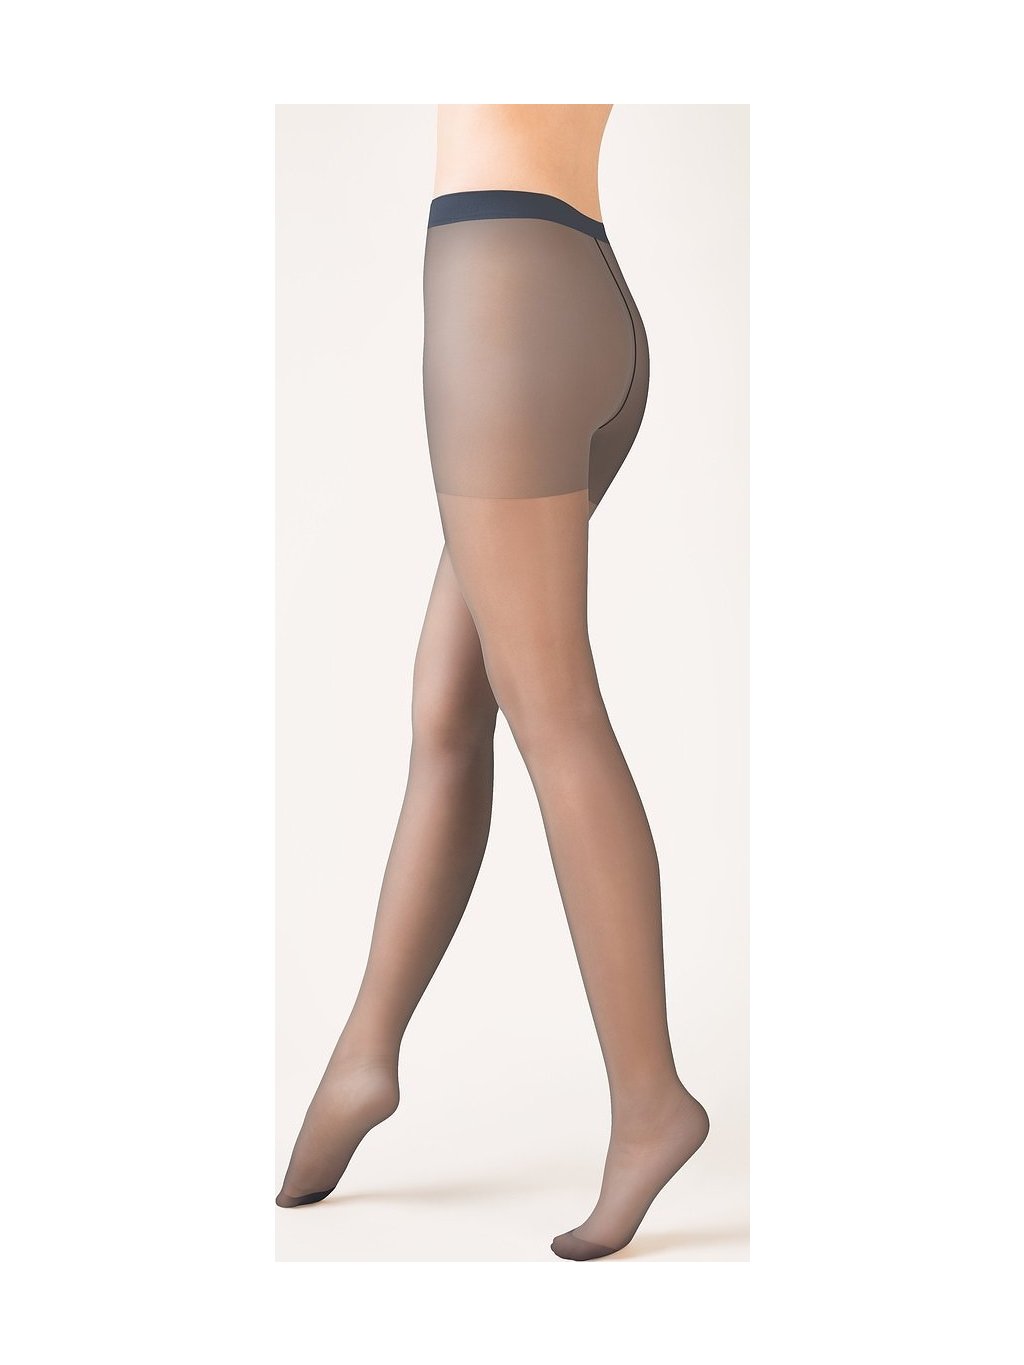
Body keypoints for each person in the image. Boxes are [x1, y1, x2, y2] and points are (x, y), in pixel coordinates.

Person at [277, 104, 710, 1261]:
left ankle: (651, 1100)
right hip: (583, 284)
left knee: (550, 707)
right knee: (449, 704)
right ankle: (364, 1056)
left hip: (500, 286)